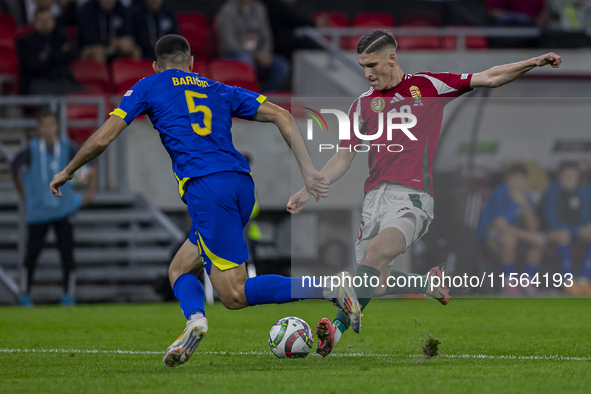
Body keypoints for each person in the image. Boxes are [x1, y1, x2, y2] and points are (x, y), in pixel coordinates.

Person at [49, 34, 361, 367]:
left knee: (234, 294)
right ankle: (194, 320)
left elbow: (102, 138)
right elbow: (282, 115)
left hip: (207, 189)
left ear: (156, 66)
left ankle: (327, 287)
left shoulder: (149, 85)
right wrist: (309, 171)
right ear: (192, 63)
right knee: (180, 267)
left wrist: (68, 170)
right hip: (241, 184)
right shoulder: (217, 88)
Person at [287, 29, 562, 356]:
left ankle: (334, 332)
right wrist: (310, 186)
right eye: (362, 66)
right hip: (374, 199)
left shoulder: (429, 86)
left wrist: (533, 61)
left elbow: (489, 77)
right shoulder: (362, 105)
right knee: (373, 282)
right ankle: (428, 284)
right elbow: (345, 155)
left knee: (372, 259)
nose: (367, 73)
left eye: (373, 64)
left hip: (413, 197)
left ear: (392, 58)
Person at [11, 108, 97, 307]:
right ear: (39, 128)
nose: (48, 128)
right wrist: (23, 192)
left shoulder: (68, 147)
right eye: (44, 125)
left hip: (63, 209)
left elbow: (90, 163)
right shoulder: (31, 148)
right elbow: (14, 167)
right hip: (39, 210)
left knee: (66, 253)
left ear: (57, 126)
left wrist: (89, 191)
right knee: (32, 253)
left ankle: (69, 295)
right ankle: (25, 294)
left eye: (51, 124)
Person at [477, 164, 547, 296]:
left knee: (539, 241)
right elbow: (500, 225)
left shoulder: (526, 196)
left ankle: (527, 281)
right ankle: (508, 283)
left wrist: (525, 204)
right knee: (509, 240)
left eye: (521, 179)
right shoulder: (500, 192)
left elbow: (534, 227)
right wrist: (529, 236)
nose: (518, 183)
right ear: (507, 180)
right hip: (490, 233)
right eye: (514, 179)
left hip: (516, 234)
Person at [216, 0, 290, 92]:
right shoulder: (227, 10)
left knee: (282, 66)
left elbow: (266, 36)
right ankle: (250, 95)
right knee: (246, 60)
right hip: (234, 54)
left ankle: (265, 94)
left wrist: (265, 52)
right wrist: (255, 55)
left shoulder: (260, 8)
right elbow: (229, 42)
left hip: (258, 53)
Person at [542, 161, 591, 294]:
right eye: (567, 177)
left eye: (574, 177)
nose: (571, 181)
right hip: (549, 233)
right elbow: (552, 223)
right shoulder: (551, 192)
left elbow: (584, 218)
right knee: (563, 234)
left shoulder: (582, 193)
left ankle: (583, 280)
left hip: (574, 233)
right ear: (559, 177)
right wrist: (578, 230)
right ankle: (568, 281)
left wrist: (586, 228)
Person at [16, 8, 81, 94]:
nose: (45, 23)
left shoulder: (60, 37)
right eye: (41, 20)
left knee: (88, 99)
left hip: (63, 81)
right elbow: (33, 64)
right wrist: (59, 56)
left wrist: (46, 57)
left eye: (47, 19)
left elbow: (74, 53)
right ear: (34, 22)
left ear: (54, 21)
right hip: (38, 81)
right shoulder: (25, 41)